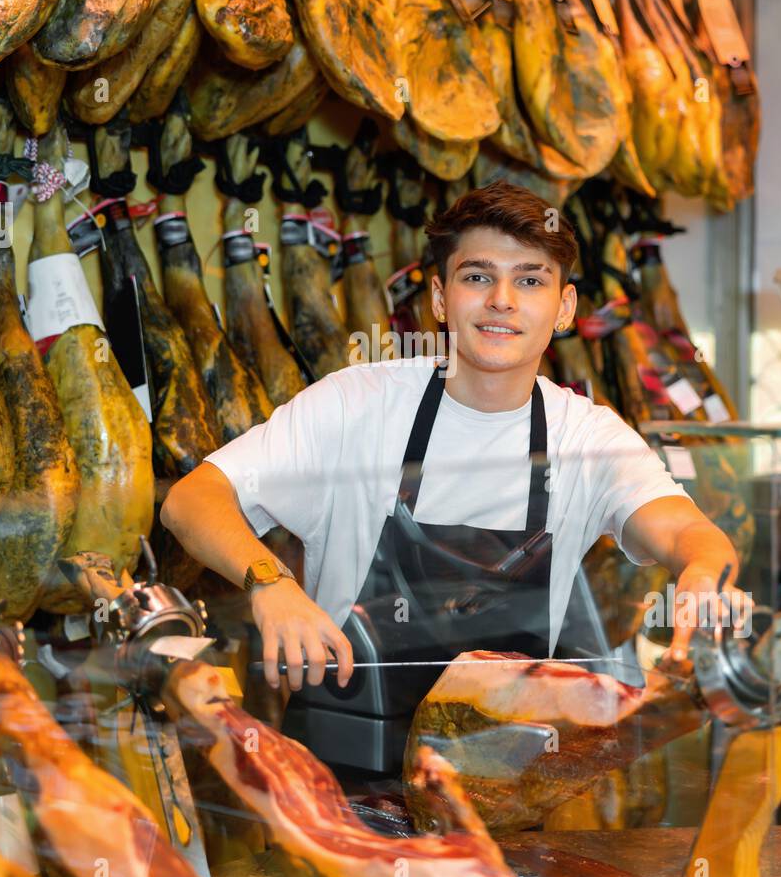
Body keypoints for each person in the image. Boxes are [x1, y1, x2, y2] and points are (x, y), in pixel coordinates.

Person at [161, 182, 745, 692]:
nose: (502, 300)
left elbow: (690, 532)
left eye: (530, 280)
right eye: (477, 276)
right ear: (440, 298)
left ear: (564, 308)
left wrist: (699, 572)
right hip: (349, 777)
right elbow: (190, 500)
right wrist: (270, 584)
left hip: (506, 782)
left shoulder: (588, 436)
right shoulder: (354, 404)